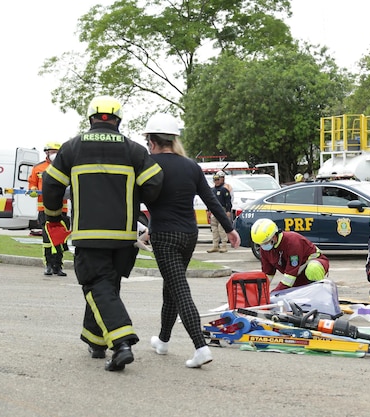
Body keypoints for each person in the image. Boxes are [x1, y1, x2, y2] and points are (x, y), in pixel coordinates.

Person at [42, 95, 164, 372]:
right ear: (118, 120)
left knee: (97, 285)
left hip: (89, 235)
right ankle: (95, 341)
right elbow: (155, 182)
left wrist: (53, 217)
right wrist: (135, 199)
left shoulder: (72, 147)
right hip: (123, 238)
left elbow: (50, 184)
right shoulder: (133, 150)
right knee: (107, 286)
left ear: (91, 118)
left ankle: (121, 343)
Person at [143, 113, 240, 368]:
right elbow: (212, 200)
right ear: (174, 139)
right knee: (171, 289)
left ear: (151, 140)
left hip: (164, 236)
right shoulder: (191, 166)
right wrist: (230, 229)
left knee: (179, 289)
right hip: (189, 235)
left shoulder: (149, 164)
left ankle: (200, 347)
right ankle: (163, 341)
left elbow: (135, 197)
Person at [250, 218, 329, 293]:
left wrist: (276, 293)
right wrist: (260, 292)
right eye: (260, 244)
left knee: (313, 268)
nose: (263, 246)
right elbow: (268, 273)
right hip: (297, 275)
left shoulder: (292, 242)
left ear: (274, 236)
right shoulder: (264, 250)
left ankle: (318, 293)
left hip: (312, 266)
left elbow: (290, 274)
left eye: (265, 242)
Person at [28, 143, 70, 276]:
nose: (54, 154)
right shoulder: (38, 168)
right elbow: (32, 184)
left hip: (62, 209)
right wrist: (33, 191)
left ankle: (58, 266)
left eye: (56, 151)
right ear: (46, 153)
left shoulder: (65, 168)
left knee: (60, 238)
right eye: (52, 151)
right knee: (47, 239)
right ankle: (48, 265)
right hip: (43, 208)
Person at [207, 170, 232, 253]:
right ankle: (215, 246)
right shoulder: (212, 190)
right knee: (214, 229)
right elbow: (209, 201)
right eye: (215, 180)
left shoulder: (224, 190)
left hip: (222, 210)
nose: (217, 181)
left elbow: (228, 201)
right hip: (213, 211)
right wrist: (208, 210)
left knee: (221, 229)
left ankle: (224, 246)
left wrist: (228, 211)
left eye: (218, 179)